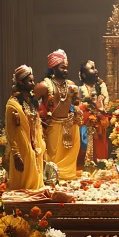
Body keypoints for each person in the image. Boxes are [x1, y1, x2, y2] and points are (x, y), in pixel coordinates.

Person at [34, 49, 81, 180]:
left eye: (66, 68)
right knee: (53, 156)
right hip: (53, 126)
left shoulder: (71, 85)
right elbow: (30, 103)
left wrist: (76, 111)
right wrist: (39, 118)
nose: (66, 70)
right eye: (62, 67)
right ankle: (53, 177)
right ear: (54, 68)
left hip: (70, 125)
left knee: (71, 154)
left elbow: (76, 104)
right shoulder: (44, 86)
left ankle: (68, 177)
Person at [5, 65, 46, 190]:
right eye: (30, 81)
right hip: (23, 148)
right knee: (23, 187)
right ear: (20, 82)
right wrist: (16, 155)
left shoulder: (32, 102)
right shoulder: (13, 104)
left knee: (36, 186)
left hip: (35, 146)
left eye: (33, 80)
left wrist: (41, 144)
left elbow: (37, 125)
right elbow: (10, 132)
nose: (33, 84)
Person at [77, 60, 110, 163]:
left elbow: (106, 107)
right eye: (91, 68)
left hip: (100, 126)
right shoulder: (79, 90)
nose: (95, 70)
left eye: (95, 68)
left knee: (101, 153)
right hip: (85, 127)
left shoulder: (100, 88)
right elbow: (77, 110)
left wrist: (100, 112)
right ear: (84, 74)